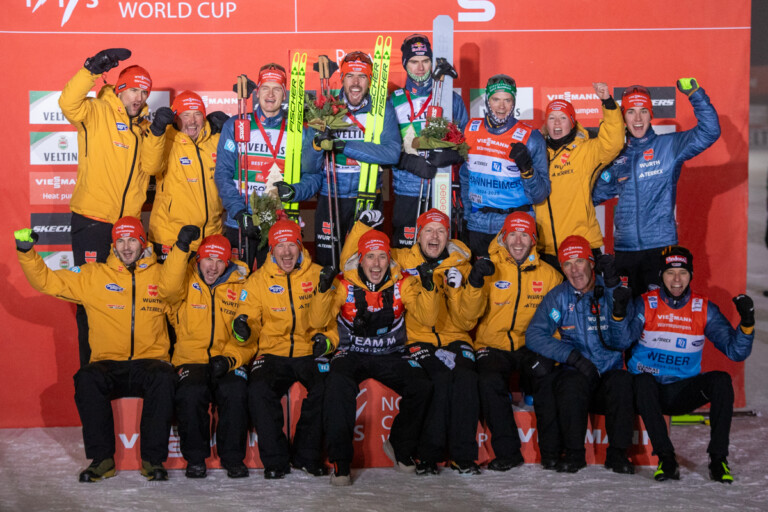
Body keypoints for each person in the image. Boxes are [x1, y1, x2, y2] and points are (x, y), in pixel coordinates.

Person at [14, 217, 178, 482]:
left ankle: (152, 459)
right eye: (120, 241)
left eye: (132, 240)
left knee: (164, 376)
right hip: (108, 363)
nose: (126, 247)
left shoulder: (162, 276)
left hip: (150, 362)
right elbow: (47, 281)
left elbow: (182, 315)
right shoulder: (93, 276)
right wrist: (26, 252)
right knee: (87, 377)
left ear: (142, 242)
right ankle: (102, 460)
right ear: (113, 245)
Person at [308, 215, 437, 485]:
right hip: (351, 352)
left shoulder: (403, 282)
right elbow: (318, 322)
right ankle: (341, 463)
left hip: (391, 353)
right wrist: (322, 290)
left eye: (381, 257)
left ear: (388, 259)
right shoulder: (344, 283)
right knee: (336, 385)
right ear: (361, 259)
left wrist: (429, 288)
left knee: (422, 385)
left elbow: (428, 318)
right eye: (370, 257)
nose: (376, 264)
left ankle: (400, 446)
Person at [611, 246, 754, 483]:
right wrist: (618, 314)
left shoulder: (703, 308)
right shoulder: (646, 303)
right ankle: (666, 459)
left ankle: (718, 460)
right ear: (661, 275)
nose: (676, 280)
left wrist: (747, 324)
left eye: (683, 273)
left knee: (721, 381)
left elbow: (736, 352)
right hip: (647, 392)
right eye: (670, 273)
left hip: (682, 390)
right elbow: (621, 342)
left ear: (691, 275)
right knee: (643, 382)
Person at [59, 48, 152, 367]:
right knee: (90, 299)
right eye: (134, 89)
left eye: (144, 91)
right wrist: (90, 70)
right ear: (121, 89)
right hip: (93, 221)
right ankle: (92, 372)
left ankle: (122, 371)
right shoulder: (97, 110)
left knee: (127, 300)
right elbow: (67, 103)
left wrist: (157, 133)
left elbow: (152, 166)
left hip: (128, 228)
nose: (139, 96)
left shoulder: (144, 127)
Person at [592, 79, 720, 296]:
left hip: (660, 248)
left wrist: (695, 93)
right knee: (626, 316)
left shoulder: (669, 146)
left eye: (644, 111)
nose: (638, 118)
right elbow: (592, 196)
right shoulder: (615, 156)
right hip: (625, 250)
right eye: (631, 111)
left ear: (651, 114)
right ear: (623, 116)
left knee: (659, 318)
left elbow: (710, 131)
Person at [275, 52, 401, 266]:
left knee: (368, 264)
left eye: (362, 76)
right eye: (349, 75)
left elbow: (391, 153)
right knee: (329, 265)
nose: (355, 82)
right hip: (330, 197)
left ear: (370, 80)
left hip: (368, 195)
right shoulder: (326, 108)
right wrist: (316, 145)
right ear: (341, 78)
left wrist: (344, 146)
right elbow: (308, 165)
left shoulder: (381, 110)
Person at [459, 212, 563, 470]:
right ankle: (508, 453)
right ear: (503, 238)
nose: (518, 241)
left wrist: (551, 352)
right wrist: (474, 283)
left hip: (532, 345)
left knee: (548, 378)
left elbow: (559, 321)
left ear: (533, 240)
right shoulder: (489, 267)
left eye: (524, 235)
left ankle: (552, 453)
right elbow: (467, 320)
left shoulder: (550, 275)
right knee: (488, 380)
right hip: (492, 345)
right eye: (513, 234)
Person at [232, 220, 335, 479]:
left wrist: (329, 342)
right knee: (258, 390)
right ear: (271, 250)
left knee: (327, 387)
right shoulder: (257, 281)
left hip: (308, 350)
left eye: (292, 245)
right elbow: (245, 318)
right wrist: (242, 329)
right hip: (271, 351)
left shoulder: (319, 275)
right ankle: (276, 460)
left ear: (300, 247)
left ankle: (307, 456)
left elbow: (333, 323)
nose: (287, 252)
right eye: (280, 246)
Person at [526, 235, 635, 474]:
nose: (574, 270)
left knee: (622, 382)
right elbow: (534, 335)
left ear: (591, 263)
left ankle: (618, 455)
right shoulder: (559, 296)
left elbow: (625, 340)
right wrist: (573, 357)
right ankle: (574, 454)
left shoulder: (612, 290)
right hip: (579, 373)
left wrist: (613, 293)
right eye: (567, 264)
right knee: (569, 382)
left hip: (609, 371)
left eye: (579, 261)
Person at [389, 208, 477, 474]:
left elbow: (467, 321)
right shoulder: (403, 260)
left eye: (441, 231)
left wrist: (464, 288)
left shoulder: (461, 263)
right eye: (429, 230)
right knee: (438, 378)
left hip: (455, 336)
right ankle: (429, 455)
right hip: (419, 337)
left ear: (448, 237)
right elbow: (362, 257)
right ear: (418, 235)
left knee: (466, 377)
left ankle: (462, 456)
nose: (435, 237)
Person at [162, 231, 252, 479]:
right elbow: (167, 289)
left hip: (227, 357)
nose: (213, 267)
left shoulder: (242, 283)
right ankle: (195, 458)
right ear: (198, 259)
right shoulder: (183, 280)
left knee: (235, 391)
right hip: (190, 358)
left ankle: (233, 458)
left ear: (228, 262)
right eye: (208, 260)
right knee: (191, 393)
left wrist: (230, 358)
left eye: (220, 261)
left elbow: (251, 333)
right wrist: (181, 247)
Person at [389, 34, 469, 248]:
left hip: (443, 187)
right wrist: (407, 161)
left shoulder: (451, 99)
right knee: (406, 253)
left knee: (442, 250)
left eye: (425, 61)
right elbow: (385, 149)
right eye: (414, 62)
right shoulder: (394, 100)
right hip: (408, 188)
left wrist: (452, 154)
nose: (420, 68)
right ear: (406, 64)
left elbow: (468, 145)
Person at [533, 83, 624, 270]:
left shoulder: (585, 150)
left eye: (563, 118)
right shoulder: (536, 151)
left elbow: (613, 143)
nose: (557, 123)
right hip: (546, 250)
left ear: (572, 122)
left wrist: (607, 102)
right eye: (552, 118)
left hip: (581, 247)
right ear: (546, 123)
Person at [459, 74, 549, 258]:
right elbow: (465, 177)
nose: (501, 106)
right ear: (487, 100)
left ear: (514, 102)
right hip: (479, 225)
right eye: (496, 99)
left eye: (507, 100)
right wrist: (469, 215)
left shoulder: (530, 137)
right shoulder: (470, 129)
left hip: (516, 226)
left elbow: (540, 194)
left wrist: (527, 170)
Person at [215, 64, 289, 269]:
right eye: (265, 88)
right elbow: (223, 173)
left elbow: (310, 175)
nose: (271, 94)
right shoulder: (237, 124)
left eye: (277, 89)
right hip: (240, 221)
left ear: (284, 94)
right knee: (236, 285)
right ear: (257, 93)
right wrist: (239, 213)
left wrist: (295, 192)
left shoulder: (295, 129)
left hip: (278, 222)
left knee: (275, 286)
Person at [142, 90, 230, 262]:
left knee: (204, 290)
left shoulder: (216, 140)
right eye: (185, 115)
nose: (192, 121)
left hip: (210, 236)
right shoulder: (165, 140)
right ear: (176, 118)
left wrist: (231, 129)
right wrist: (157, 131)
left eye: (197, 114)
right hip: (169, 237)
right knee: (170, 288)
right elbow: (150, 166)